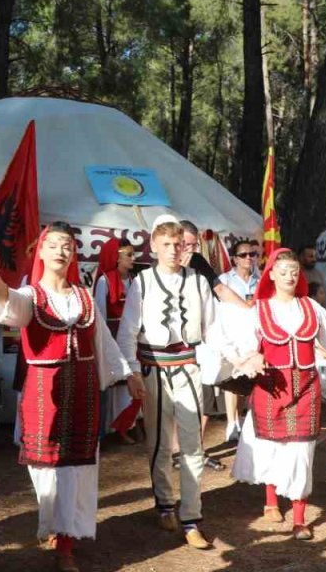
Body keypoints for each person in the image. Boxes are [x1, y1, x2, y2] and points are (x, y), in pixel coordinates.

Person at [0, 222, 146, 572]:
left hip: (85, 391)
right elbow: (10, 309)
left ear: (74, 254)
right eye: (54, 245)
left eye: (67, 246)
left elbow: (103, 340)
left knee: (79, 466)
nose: (61, 251)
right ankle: (55, 527)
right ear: (40, 251)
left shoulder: (85, 296)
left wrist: (129, 374)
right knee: (48, 469)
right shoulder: (31, 296)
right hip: (45, 394)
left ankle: (67, 542)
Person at [214, 249, 326, 541]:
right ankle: (270, 498)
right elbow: (230, 339)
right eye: (283, 271)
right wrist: (248, 358)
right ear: (270, 274)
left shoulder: (310, 307)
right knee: (270, 446)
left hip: (306, 387)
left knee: (301, 452)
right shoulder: (259, 310)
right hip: (271, 387)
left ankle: (299, 518)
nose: (290, 276)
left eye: (294, 271)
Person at [117, 216, 216, 549]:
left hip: (188, 365)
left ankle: (191, 516)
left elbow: (212, 330)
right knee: (159, 443)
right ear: (154, 247)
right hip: (153, 366)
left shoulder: (199, 282)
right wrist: (130, 372)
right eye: (167, 245)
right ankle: (164, 503)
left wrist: (218, 366)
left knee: (193, 445)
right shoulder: (142, 282)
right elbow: (128, 331)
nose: (174, 250)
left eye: (179, 244)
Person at [177, 220, 234, 469]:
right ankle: (177, 453)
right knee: (174, 404)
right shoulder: (159, 271)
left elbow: (219, 288)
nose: (189, 249)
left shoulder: (198, 262)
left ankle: (196, 450)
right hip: (171, 349)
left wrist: (247, 307)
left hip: (201, 343)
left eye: (193, 244)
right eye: (185, 244)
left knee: (205, 399)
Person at [94, 237, 138, 444]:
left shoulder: (134, 280)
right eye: (128, 254)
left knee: (132, 381)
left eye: (133, 254)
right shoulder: (105, 280)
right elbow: (100, 314)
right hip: (113, 338)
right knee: (116, 382)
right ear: (116, 257)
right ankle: (112, 428)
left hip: (132, 338)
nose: (133, 258)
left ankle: (128, 424)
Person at [215, 238, 259, 442]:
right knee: (233, 379)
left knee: (244, 380)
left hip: (252, 336)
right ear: (235, 259)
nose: (248, 258)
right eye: (243, 255)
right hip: (231, 336)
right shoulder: (224, 280)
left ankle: (239, 420)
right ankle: (231, 423)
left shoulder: (259, 280)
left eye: (252, 254)